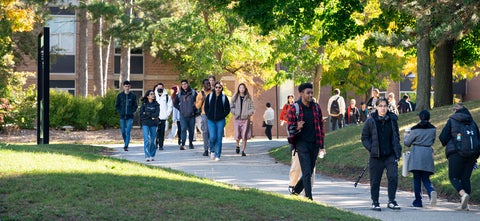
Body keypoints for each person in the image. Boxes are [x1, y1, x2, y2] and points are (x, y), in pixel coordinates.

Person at [361, 97, 402, 211]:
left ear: (388, 107)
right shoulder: (370, 121)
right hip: (376, 156)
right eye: (380, 106)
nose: (383, 108)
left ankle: (392, 201)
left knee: (393, 177)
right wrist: (371, 148)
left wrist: (397, 151)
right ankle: (375, 202)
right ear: (376, 107)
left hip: (390, 154)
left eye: (385, 106)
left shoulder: (392, 120)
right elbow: (364, 137)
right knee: (375, 180)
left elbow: (396, 137)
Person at [287, 82, 325, 200]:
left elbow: (321, 126)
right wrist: (296, 126)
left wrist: (322, 145)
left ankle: (295, 192)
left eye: (311, 93)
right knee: (307, 171)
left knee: (309, 171)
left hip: (314, 143)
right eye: (308, 93)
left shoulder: (316, 107)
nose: (310, 95)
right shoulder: (295, 108)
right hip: (301, 143)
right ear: (301, 93)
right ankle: (309, 198)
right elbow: (289, 128)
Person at [439, 103, 480, 210]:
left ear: (455, 111)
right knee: (466, 178)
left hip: (456, 154)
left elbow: (443, 137)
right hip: (472, 154)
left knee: (453, 177)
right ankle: (466, 205)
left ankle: (463, 194)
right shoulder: (472, 122)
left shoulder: (452, 120)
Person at [404, 110, 437, 207]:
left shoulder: (414, 129)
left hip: (417, 155)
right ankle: (431, 191)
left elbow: (407, 143)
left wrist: (406, 136)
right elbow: (433, 140)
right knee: (426, 178)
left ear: (420, 117)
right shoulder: (433, 129)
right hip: (427, 153)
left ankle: (418, 201)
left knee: (417, 178)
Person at [204, 82, 230, 161]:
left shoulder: (224, 97)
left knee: (219, 138)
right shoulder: (210, 96)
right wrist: (208, 115)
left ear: (222, 88)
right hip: (211, 120)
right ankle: (212, 150)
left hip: (220, 120)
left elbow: (227, 109)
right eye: (216, 87)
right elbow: (206, 107)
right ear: (214, 88)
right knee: (212, 137)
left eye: (219, 87)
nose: (218, 89)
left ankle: (217, 155)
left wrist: (222, 115)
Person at [231, 83, 255, 156]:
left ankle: (243, 150)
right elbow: (231, 107)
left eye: (243, 88)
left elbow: (252, 108)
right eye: (240, 88)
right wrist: (235, 112)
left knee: (244, 135)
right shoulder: (235, 97)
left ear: (245, 89)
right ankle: (238, 145)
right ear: (238, 89)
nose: (241, 89)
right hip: (237, 118)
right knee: (237, 134)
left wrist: (248, 113)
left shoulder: (248, 98)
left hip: (245, 119)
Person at [173, 80, 197, 150]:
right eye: (182, 84)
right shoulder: (179, 94)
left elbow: (198, 101)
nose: (184, 85)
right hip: (183, 115)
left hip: (191, 115)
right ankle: (183, 144)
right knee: (183, 129)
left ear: (187, 84)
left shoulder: (193, 93)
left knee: (191, 130)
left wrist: (195, 110)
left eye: (185, 84)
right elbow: (175, 103)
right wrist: (180, 108)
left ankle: (190, 143)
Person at [115, 80, 138, 151]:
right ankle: (126, 142)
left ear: (130, 87)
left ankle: (126, 145)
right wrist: (120, 111)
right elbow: (117, 105)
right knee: (123, 131)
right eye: (126, 86)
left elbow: (135, 105)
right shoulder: (120, 95)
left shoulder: (133, 95)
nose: (127, 87)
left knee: (128, 131)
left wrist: (132, 111)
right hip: (122, 116)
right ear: (123, 87)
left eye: (128, 86)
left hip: (130, 116)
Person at [139, 90, 159, 162]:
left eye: (153, 94)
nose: (153, 95)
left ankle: (152, 155)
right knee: (147, 139)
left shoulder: (156, 104)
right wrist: (150, 115)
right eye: (151, 94)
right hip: (145, 123)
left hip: (154, 124)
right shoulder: (144, 104)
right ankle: (147, 156)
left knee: (153, 140)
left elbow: (156, 114)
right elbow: (141, 115)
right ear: (147, 96)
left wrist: (147, 114)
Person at [195, 79, 212, 156]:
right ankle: (206, 149)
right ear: (203, 85)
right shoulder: (200, 94)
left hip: (212, 114)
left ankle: (212, 149)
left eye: (209, 83)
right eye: (207, 84)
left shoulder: (213, 92)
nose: (209, 85)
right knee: (205, 132)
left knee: (212, 132)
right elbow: (197, 106)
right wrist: (202, 100)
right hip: (204, 114)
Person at [153, 83, 173, 150]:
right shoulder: (153, 96)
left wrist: (166, 114)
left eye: (161, 88)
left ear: (163, 88)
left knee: (161, 132)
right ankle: (155, 144)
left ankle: (161, 145)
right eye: (158, 88)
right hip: (155, 118)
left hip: (163, 118)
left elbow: (170, 106)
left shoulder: (167, 97)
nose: (159, 89)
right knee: (155, 132)